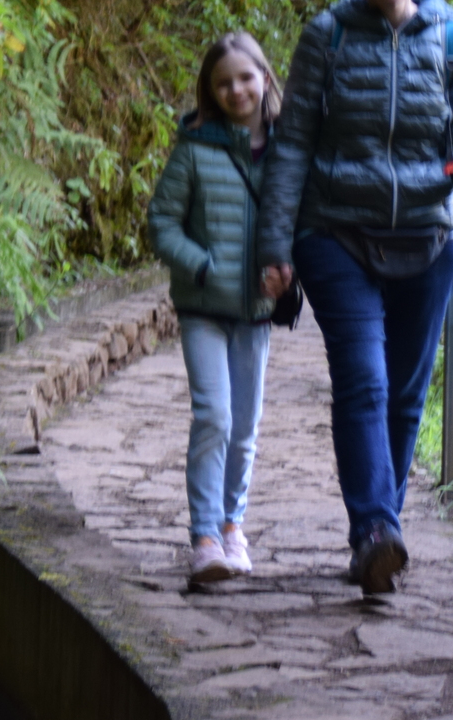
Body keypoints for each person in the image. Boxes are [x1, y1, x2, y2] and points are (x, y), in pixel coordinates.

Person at [259, 0, 453, 594]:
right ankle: (373, 529)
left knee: (404, 394)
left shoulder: (451, 40)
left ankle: (378, 536)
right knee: (364, 381)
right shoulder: (327, 36)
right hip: (336, 233)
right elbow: (293, 143)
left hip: (430, 236)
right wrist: (276, 243)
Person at [147, 32, 285, 584]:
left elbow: (303, 216)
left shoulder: (289, 148)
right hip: (203, 306)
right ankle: (204, 538)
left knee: (244, 426)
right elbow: (162, 222)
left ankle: (233, 526)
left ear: (265, 78)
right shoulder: (195, 147)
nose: (237, 90)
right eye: (223, 82)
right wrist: (202, 266)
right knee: (214, 417)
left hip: (256, 310)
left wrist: (289, 267)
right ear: (210, 89)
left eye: (246, 77)